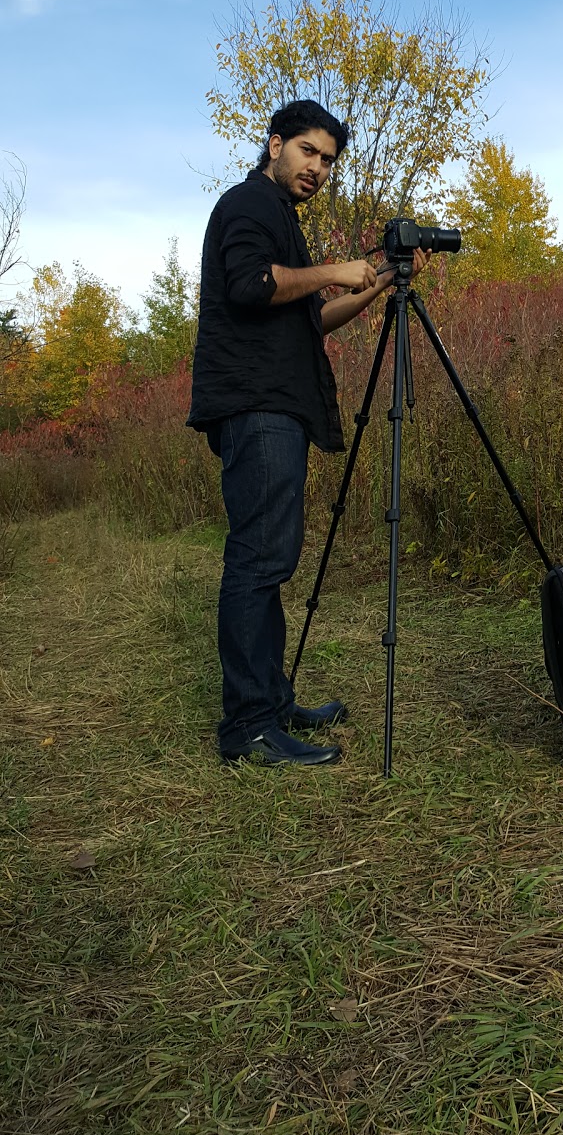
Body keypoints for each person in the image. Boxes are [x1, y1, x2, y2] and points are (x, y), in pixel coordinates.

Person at [188, 99, 429, 767]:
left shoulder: (279, 220)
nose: (317, 168)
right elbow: (249, 286)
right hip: (254, 404)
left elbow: (310, 321)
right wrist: (330, 270)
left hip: (276, 405)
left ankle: (269, 698)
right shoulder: (248, 204)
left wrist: (375, 283)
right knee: (258, 561)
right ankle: (249, 727)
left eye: (327, 160)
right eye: (307, 152)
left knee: (271, 560)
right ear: (275, 146)